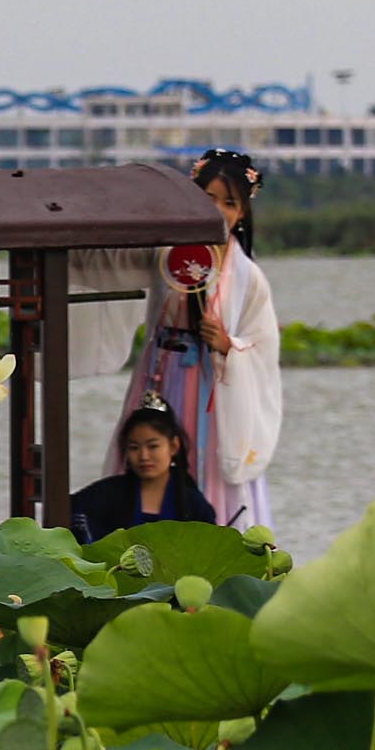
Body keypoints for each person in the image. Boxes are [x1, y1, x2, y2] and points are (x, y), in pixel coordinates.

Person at [116, 148, 281, 533]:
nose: (219, 210)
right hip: (163, 371)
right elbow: (118, 265)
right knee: (150, 450)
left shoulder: (248, 276)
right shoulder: (166, 253)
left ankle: (215, 534)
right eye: (208, 199)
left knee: (203, 462)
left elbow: (264, 345)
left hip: (214, 386)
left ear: (242, 213)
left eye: (230, 202)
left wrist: (229, 345)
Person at [65, 403, 217, 541]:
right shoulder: (106, 493)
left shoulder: (193, 504)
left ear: (173, 446)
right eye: (134, 447)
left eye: (153, 446)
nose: (144, 456)